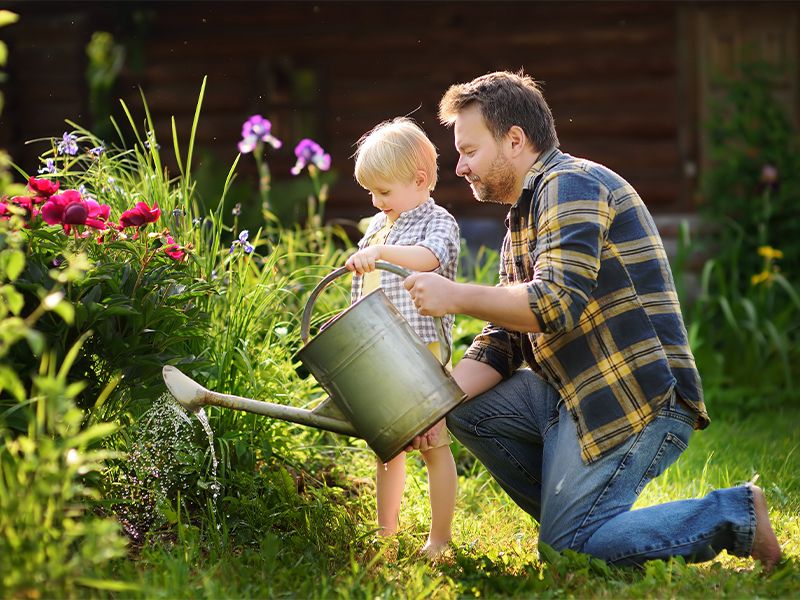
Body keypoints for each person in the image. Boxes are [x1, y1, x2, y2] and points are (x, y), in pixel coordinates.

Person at [403, 71, 782, 569]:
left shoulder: (572, 184)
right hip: (571, 395)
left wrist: (454, 296)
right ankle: (590, 521)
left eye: (469, 151)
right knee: (465, 408)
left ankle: (733, 513)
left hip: (631, 398)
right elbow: (505, 341)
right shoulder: (522, 216)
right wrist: (427, 406)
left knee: (567, 551)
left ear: (514, 140)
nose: (460, 166)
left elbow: (555, 303)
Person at [344, 117, 461, 558]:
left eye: (384, 192)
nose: (377, 201)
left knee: (434, 447)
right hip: (381, 355)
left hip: (422, 355)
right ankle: (385, 531)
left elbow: (429, 260)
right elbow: (367, 289)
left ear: (419, 180)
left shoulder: (438, 222)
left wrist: (379, 252)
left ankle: (440, 539)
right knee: (387, 448)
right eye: (371, 193)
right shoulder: (379, 225)